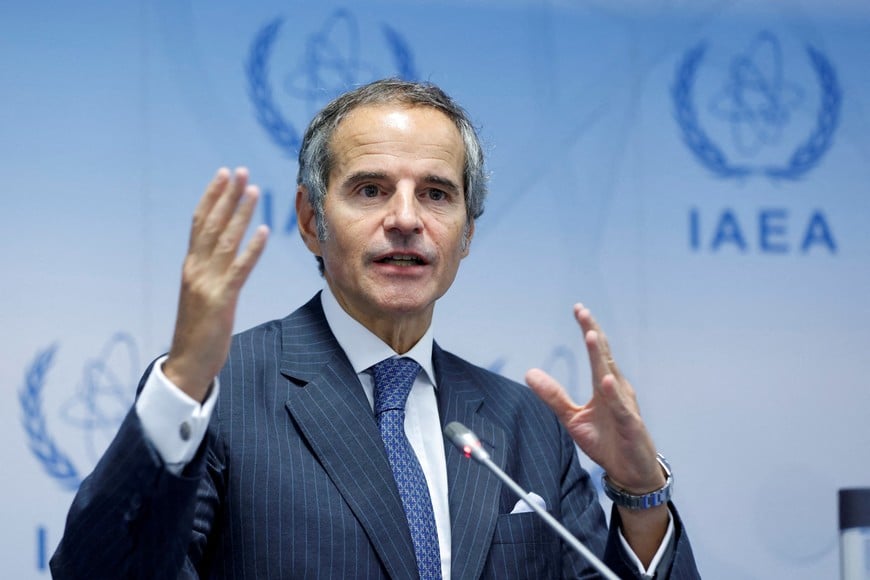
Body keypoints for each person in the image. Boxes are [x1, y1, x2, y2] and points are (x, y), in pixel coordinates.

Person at [51, 78, 699, 579]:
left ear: (467, 233)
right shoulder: (216, 396)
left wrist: (641, 495)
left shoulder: (524, 423)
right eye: (370, 190)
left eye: (437, 195)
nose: (406, 219)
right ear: (311, 220)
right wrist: (186, 378)